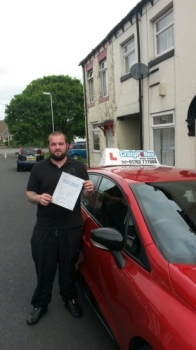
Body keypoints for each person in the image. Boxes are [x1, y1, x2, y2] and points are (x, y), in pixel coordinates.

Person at [26, 132, 94, 325]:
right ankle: (40, 304)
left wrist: (89, 190)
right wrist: (38, 198)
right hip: (45, 227)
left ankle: (69, 298)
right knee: (44, 267)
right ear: (48, 146)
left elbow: (87, 196)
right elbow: (29, 193)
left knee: (67, 267)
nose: (57, 147)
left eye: (61, 144)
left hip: (71, 226)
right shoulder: (39, 168)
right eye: (53, 144)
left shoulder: (78, 167)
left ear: (67, 146)